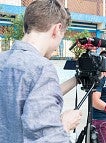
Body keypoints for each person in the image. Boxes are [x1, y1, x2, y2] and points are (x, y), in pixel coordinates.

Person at [0, 0, 82, 142]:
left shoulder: (3, 60)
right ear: (57, 29)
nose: (57, 46)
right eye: (62, 37)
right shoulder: (42, 68)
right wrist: (65, 125)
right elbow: (48, 139)